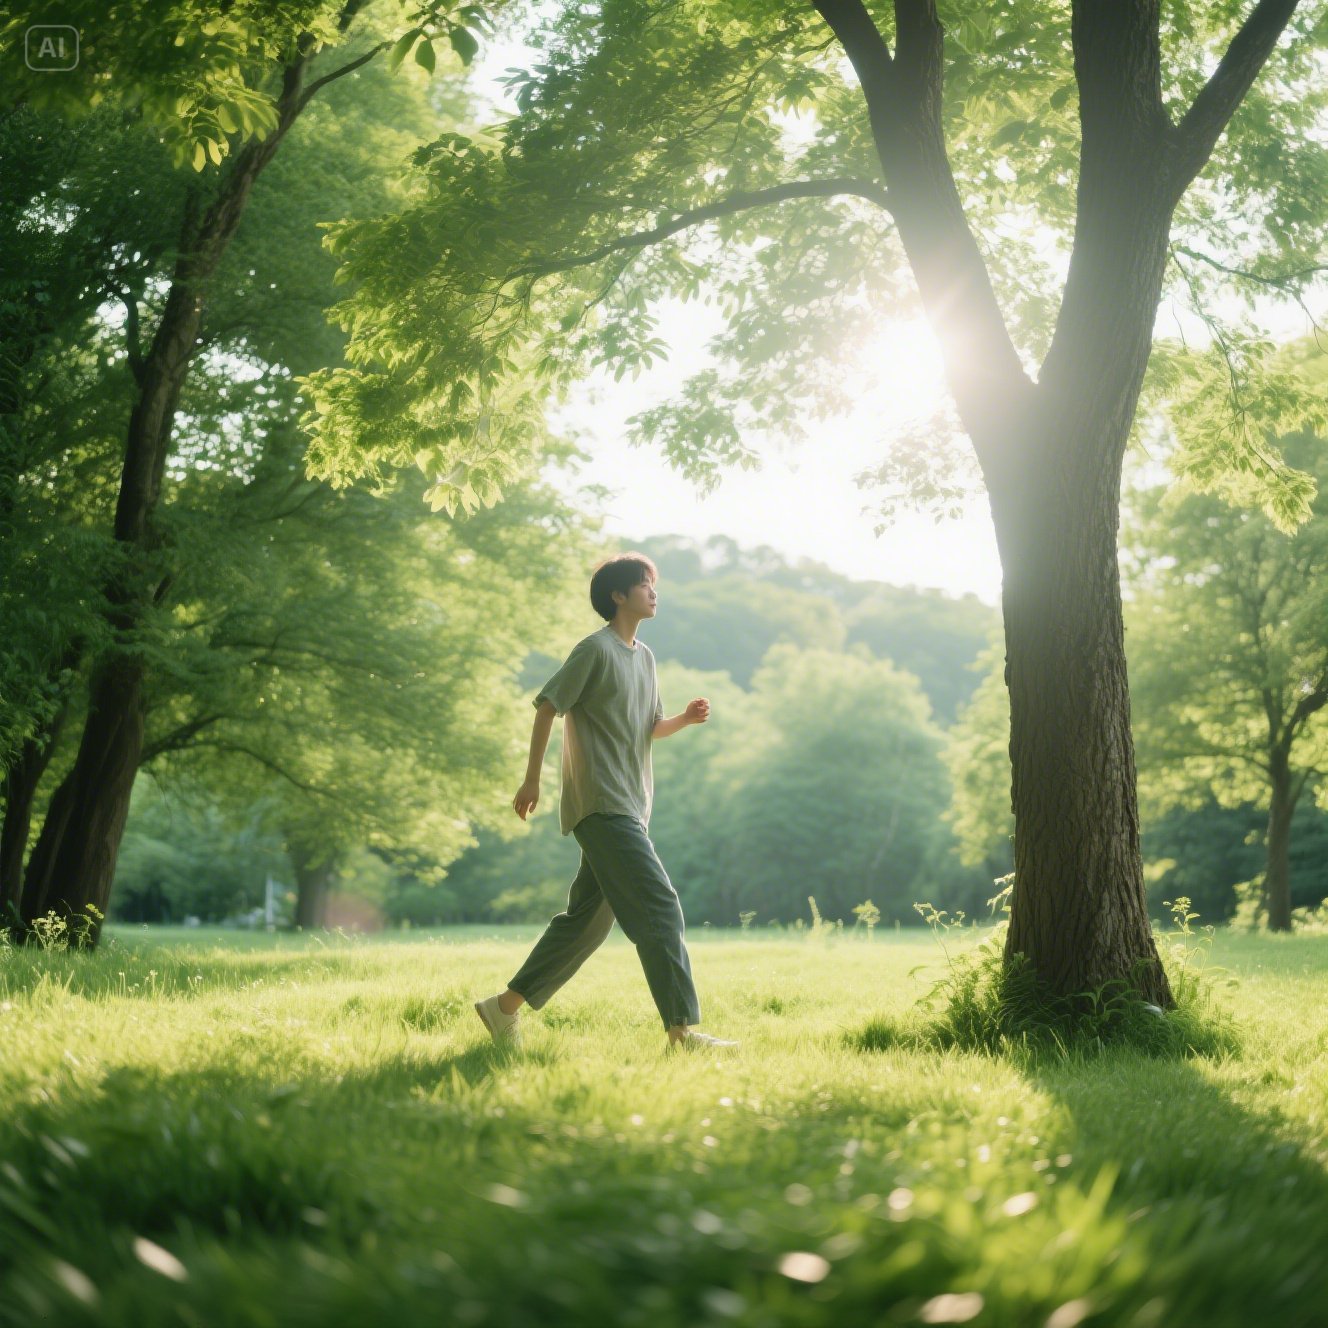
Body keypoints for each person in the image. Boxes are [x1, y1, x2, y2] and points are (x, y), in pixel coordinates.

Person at [474, 552, 737, 1053]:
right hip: (601, 803)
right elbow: (548, 706)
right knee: (660, 905)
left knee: (587, 923)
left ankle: (502, 1008)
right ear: (619, 595)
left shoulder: (646, 658)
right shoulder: (594, 651)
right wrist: (532, 780)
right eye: (645, 585)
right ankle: (681, 1033)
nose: (654, 593)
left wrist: (683, 718)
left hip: (631, 805)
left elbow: (649, 728)